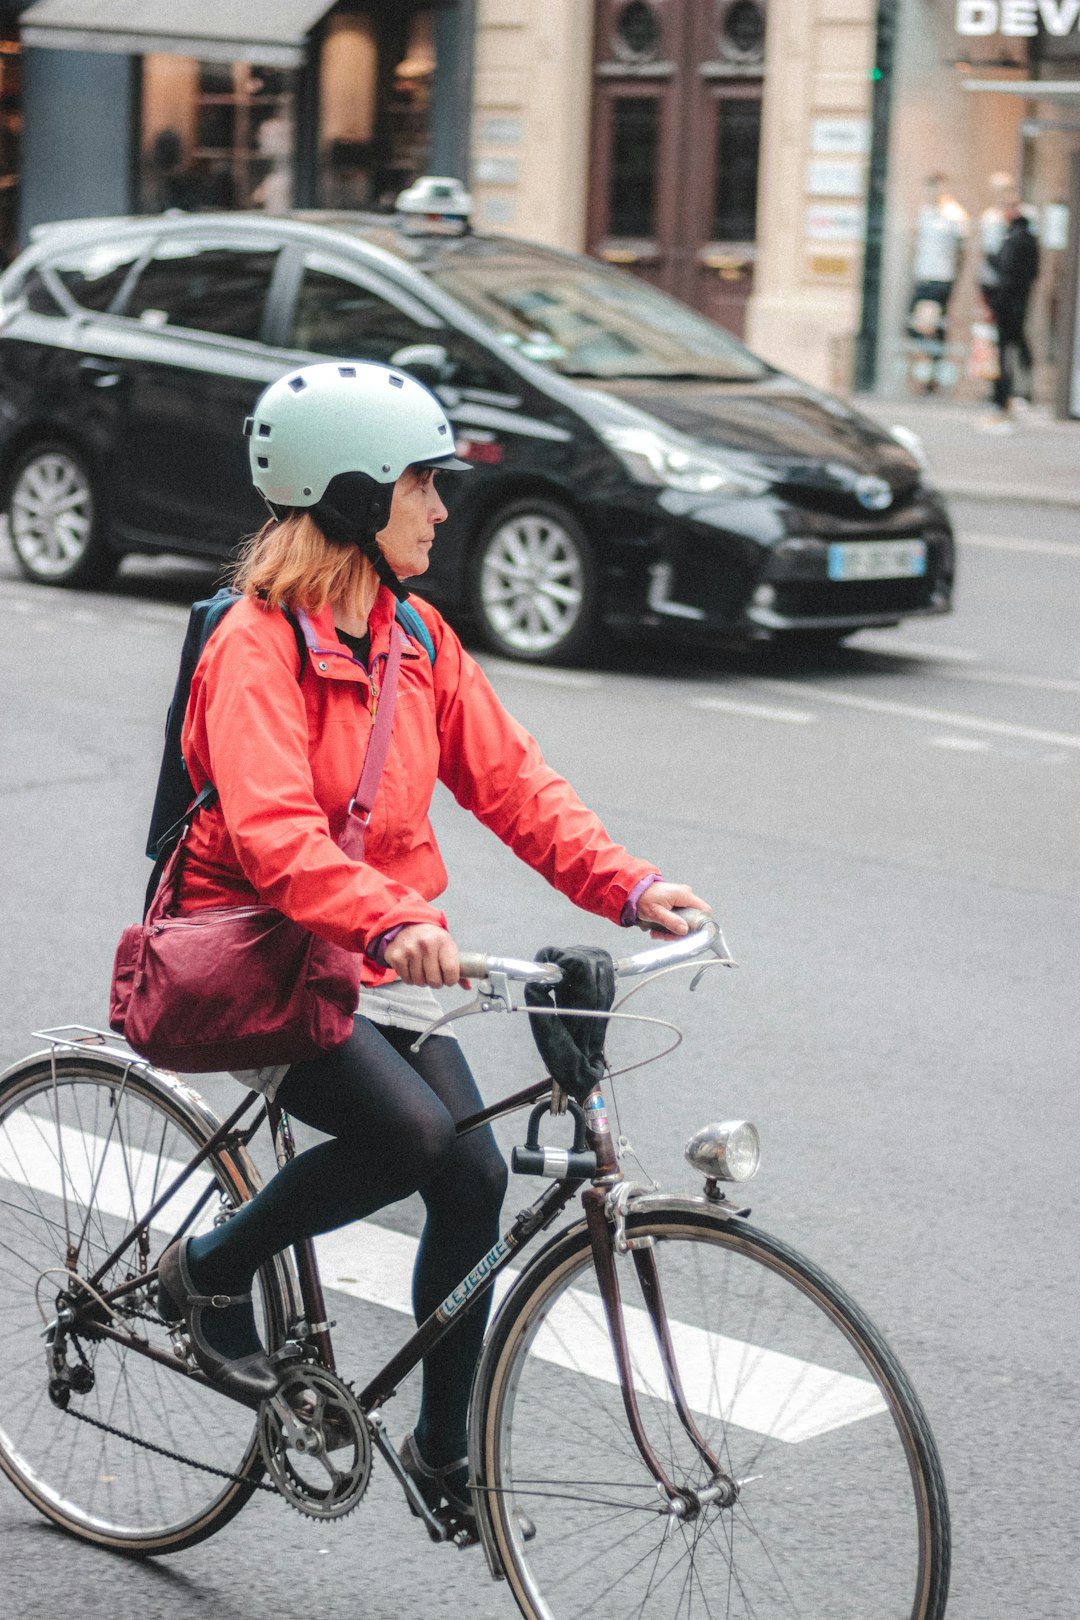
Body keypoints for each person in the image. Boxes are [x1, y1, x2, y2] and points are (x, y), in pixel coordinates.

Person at [154, 359, 707, 1533]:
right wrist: (394, 920)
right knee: (408, 1135)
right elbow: (274, 836)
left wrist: (630, 886)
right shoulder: (253, 650)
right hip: (257, 949)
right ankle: (208, 1269)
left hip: (369, 955)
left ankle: (441, 1448)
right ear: (355, 499)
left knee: (475, 1175)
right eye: (424, 486)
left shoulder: (415, 640)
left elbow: (513, 784)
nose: (443, 510)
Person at [979, 190, 1040, 431]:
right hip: (1018, 303)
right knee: (1013, 349)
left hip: (1008, 305)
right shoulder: (1026, 238)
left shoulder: (1015, 239)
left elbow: (1007, 275)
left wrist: (994, 304)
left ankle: (1003, 398)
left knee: (1005, 353)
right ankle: (1013, 394)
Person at [906, 175, 968, 393]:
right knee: (914, 326)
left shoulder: (954, 216)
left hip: (942, 278)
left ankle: (934, 376)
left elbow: (962, 251)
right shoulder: (924, 213)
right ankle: (928, 367)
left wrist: (954, 279)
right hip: (923, 276)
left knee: (937, 327)